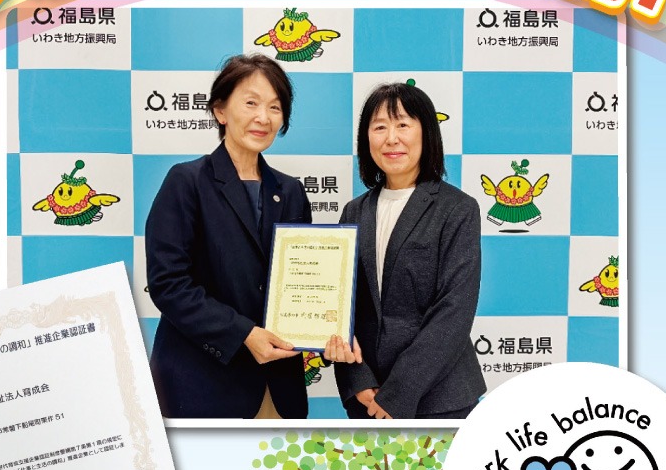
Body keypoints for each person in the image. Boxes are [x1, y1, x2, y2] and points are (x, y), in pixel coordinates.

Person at [145, 54, 312, 419]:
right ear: (220, 110)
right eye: (251, 103)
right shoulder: (187, 182)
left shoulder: (291, 191)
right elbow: (169, 284)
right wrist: (244, 334)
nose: (263, 117)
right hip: (203, 386)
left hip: (278, 387)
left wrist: (321, 326)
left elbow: (302, 283)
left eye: (275, 107)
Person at [326, 82, 485, 419]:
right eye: (379, 127)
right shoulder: (354, 211)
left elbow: (454, 311)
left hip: (439, 398)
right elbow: (339, 306)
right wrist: (358, 380)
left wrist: (399, 393)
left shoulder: (458, 209)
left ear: (426, 133)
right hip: (367, 396)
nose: (391, 138)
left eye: (403, 124)